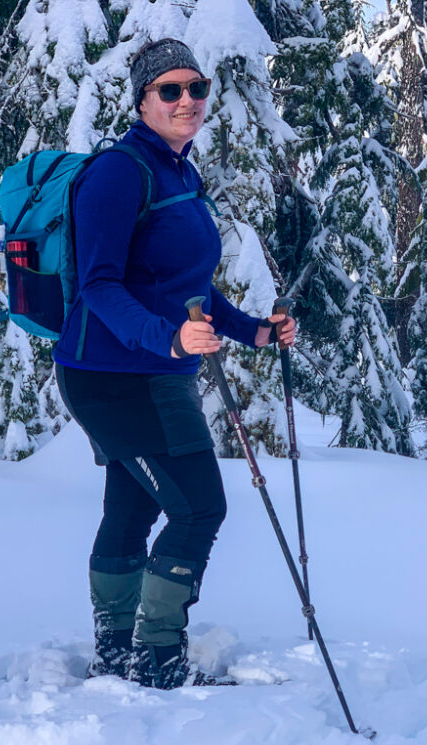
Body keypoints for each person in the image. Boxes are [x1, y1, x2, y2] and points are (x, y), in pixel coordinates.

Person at [53, 38, 296, 690]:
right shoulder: (118, 172)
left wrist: (253, 332)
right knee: (198, 508)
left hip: (155, 370)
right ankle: (156, 656)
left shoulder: (181, 172)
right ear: (142, 100)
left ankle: (118, 652)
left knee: (134, 509)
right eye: (170, 90)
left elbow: (190, 283)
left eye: (197, 88)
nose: (187, 100)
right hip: (110, 376)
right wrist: (168, 340)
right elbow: (100, 286)